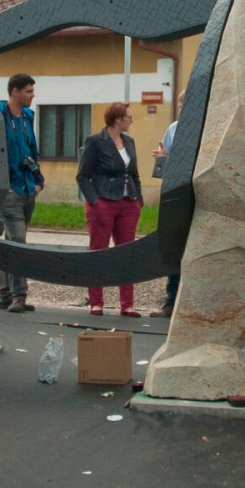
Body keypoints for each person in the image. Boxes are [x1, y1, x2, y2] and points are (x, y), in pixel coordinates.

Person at [77, 102, 143, 317]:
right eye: (128, 117)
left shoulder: (129, 142)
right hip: (103, 202)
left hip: (128, 203)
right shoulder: (96, 141)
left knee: (127, 254)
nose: (131, 121)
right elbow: (82, 176)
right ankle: (96, 302)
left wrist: (138, 200)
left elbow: (134, 174)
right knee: (99, 251)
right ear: (117, 119)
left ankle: (127, 304)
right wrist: (95, 201)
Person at [0, 73, 45, 313]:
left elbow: (32, 151)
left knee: (10, 244)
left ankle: (5, 295)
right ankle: (19, 296)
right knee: (18, 242)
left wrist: (38, 180)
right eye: (28, 91)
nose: (33, 95)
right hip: (9, 190)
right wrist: (1, 184)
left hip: (27, 188)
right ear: (15, 91)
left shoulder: (27, 117)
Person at [147, 89, 185, 317]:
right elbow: (163, 167)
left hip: (201, 195)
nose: (181, 109)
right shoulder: (174, 129)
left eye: (184, 105)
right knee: (174, 248)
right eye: (180, 106)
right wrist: (162, 159)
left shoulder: (209, 127)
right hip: (176, 195)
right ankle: (171, 302)